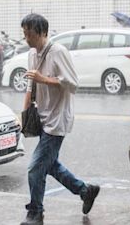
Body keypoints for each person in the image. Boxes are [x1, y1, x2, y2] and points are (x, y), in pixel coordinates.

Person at [20, 13, 100, 225]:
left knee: (36, 168)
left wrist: (43, 79)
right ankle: (85, 190)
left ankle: (36, 212)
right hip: (41, 117)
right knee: (50, 164)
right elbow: (31, 85)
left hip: (57, 119)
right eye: (24, 34)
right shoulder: (31, 54)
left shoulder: (58, 52)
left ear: (42, 32)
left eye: (29, 34)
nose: (26, 38)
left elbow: (73, 84)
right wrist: (24, 114)